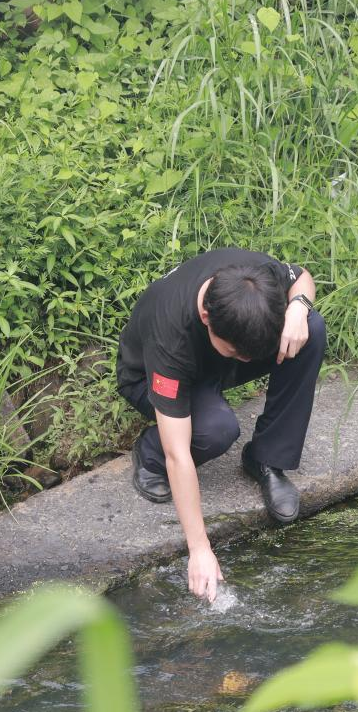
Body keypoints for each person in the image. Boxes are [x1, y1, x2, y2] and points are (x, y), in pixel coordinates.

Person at [116, 248, 325, 602]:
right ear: (205, 316)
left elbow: (302, 276)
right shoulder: (171, 336)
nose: (249, 362)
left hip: (215, 359)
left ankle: (267, 458)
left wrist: (298, 308)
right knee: (216, 429)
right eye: (238, 353)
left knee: (312, 328)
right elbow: (179, 453)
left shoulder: (255, 278)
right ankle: (147, 453)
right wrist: (199, 549)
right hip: (150, 378)